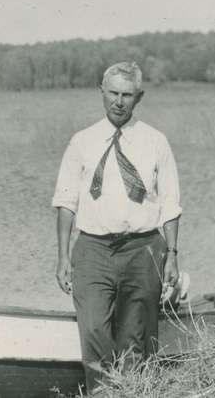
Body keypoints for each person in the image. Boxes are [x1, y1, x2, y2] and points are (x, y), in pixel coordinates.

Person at [52, 62, 182, 393]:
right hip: (93, 250)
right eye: (113, 93)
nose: (119, 102)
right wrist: (63, 257)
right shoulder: (81, 142)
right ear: (101, 91)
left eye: (127, 95)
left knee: (136, 340)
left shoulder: (155, 142)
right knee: (94, 331)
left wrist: (172, 255)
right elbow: (66, 202)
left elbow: (170, 203)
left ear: (139, 97)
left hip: (144, 249)